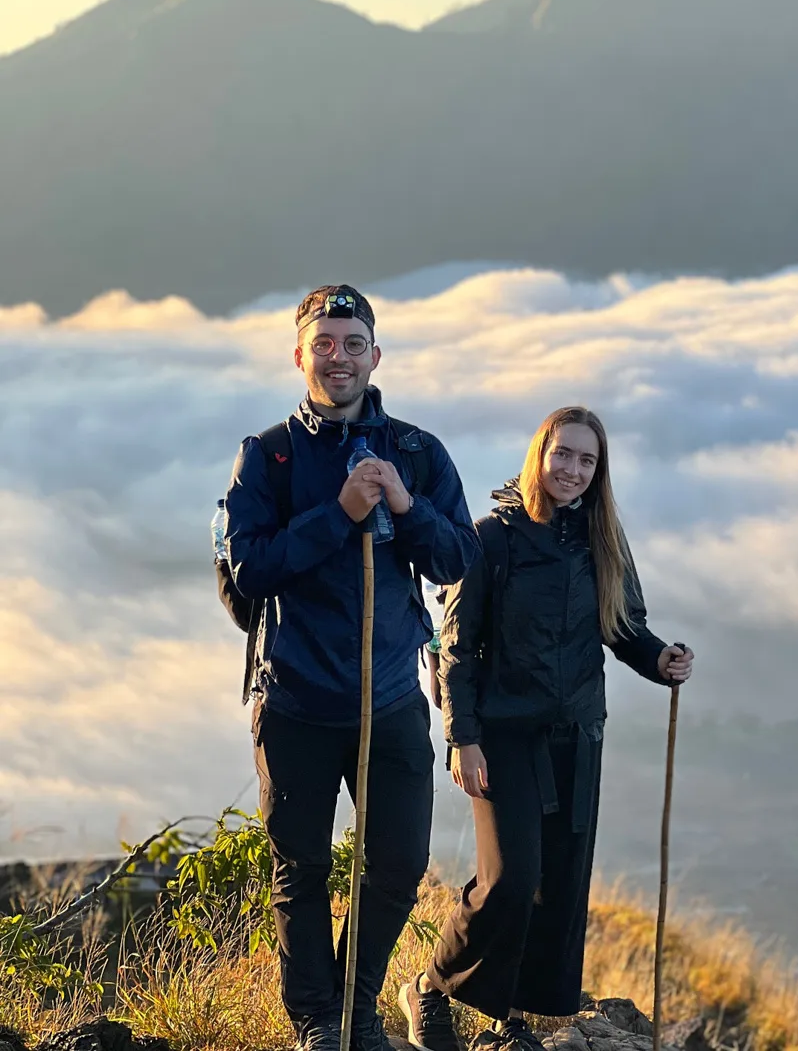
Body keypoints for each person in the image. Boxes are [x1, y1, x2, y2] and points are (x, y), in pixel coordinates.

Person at [219, 284, 480, 1051]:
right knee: (299, 871)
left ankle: (354, 1009)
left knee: (398, 866)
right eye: (324, 344)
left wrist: (403, 503)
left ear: (376, 355)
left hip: (390, 699)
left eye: (352, 344)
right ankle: (319, 1025)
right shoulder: (268, 456)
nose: (339, 358)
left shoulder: (417, 453)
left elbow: (458, 559)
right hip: (296, 701)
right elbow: (249, 570)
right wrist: (339, 514)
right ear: (300, 355)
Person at [398, 406, 694, 1051]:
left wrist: (661, 661)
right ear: (540, 453)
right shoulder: (491, 538)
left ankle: (510, 1017)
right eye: (563, 453)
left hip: (577, 735)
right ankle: (430, 987)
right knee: (509, 877)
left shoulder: (602, 539)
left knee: (557, 884)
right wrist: (462, 737)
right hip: (503, 738)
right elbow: (456, 649)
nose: (573, 469)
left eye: (587, 460)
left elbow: (624, 628)